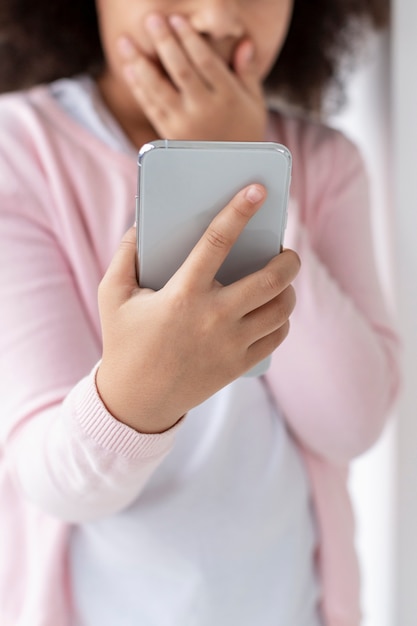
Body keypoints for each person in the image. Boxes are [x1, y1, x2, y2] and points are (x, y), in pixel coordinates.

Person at [0, 0, 400, 625]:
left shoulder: (327, 166)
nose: (216, 16)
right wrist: (141, 394)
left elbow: (352, 419)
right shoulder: (18, 154)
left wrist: (247, 165)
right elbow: (52, 482)